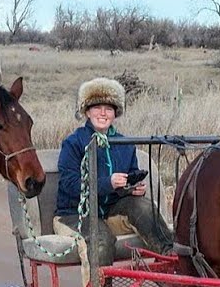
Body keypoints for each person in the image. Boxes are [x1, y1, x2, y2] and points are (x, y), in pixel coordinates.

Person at [54, 77, 173, 274]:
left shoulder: (124, 143)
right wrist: (107, 183)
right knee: (101, 239)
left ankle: (172, 263)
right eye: (96, 107)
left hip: (110, 211)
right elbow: (70, 184)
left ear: (115, 113)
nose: (103, 113)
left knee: (144, 207)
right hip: (74, 215)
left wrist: (133, 189)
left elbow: (132, 174)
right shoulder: (73, 142)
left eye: (108, 108)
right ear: (86, 111)